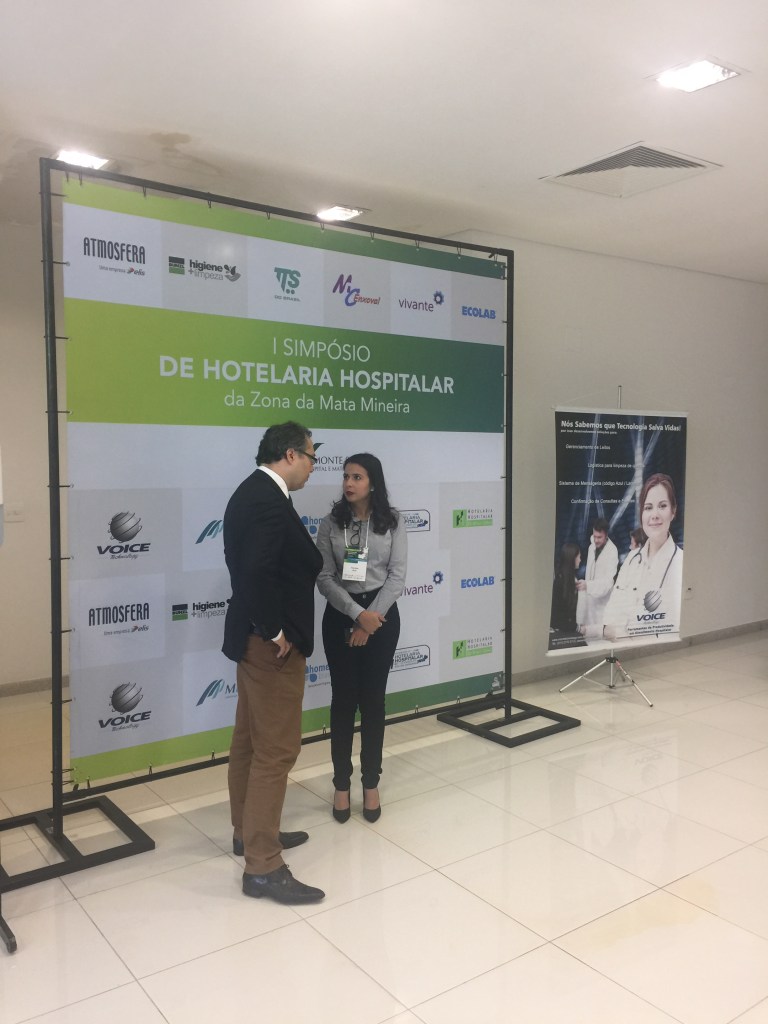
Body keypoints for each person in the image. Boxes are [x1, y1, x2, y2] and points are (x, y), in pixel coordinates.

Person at [222, 421, 325, 904]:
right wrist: (276, 631)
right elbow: (255, 572)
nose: (313, 466)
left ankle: (248, 831)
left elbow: (256, 568)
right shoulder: (266, 499)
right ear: (290, 455)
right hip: (270, 647)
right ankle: (262, 866)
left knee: (249, 740)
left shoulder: (254, 492)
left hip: (251, 641)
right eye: (311, 456)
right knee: (276, 750)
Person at [316, 454, 407, 824]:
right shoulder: (331, 522)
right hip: (341, 615)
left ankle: (371, 783)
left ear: (373, 483)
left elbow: (397, 577)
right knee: (342, 702)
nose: (349, 483)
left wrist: (370, 621)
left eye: (357, 477)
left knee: (372, 703)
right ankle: (341, 784)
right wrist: (357, 615)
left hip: (381, 618)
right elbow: (324, 577)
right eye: (346, 476)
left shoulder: (393, 521)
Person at [604, 473, 683, 640]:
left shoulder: (681, 563)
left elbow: (670, 628)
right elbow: (609, 618)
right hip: (619, 649)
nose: (654, 515)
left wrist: (622, 634)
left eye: (662, 506)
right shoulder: (631, 560)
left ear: (673, 511)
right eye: (648, 507)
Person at [576, 517, 618, 637]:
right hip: (589, 601)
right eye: (594, 536)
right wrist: (586, 585)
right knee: (587, 634)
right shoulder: (591, 547)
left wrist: (588, 585)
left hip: (602, 604)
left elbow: (608, 583)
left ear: (606, 535)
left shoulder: (612, 552)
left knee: (600, 637)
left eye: (599, 537)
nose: (596, 540)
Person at [550, 542, 581, 632]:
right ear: (572, 558)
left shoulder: (572, 579)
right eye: (579, 557)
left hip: (568, 627)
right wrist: (577, 628)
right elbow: (558, 615)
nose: (580, 560)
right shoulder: (560, 581)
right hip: (561, 630)